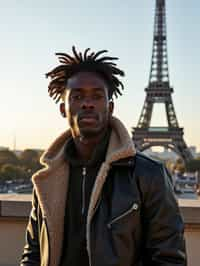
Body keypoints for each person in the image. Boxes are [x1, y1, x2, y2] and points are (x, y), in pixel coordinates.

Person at [20, 46, 186, 266]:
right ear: (63, 109)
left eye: (97, 96)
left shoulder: (149, 176)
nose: (87, 103)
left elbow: (169, 259)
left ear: (110, 107)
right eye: (77, 96)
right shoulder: (45, 181)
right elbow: (33, 254)